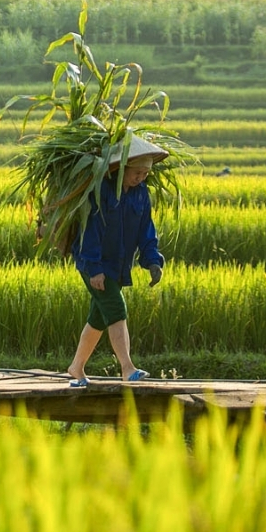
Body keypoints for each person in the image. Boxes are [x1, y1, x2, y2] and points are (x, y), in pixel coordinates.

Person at [66, 134, 167, 387]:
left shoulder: (141, 194)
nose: (141, 178)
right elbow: (90, 231)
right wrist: (95, 269)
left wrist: (152, 260)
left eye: (145, 174)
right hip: (95, 264)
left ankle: (76, 367)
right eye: (137, 173)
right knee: (116, 308)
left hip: (119, 265)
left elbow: (146, 230)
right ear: (123, 168)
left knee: (99, 318)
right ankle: (127, 367)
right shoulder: (102, 191)